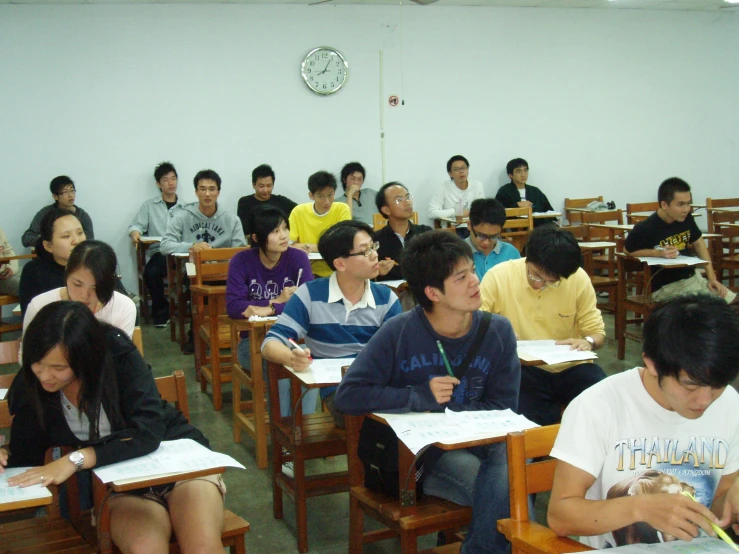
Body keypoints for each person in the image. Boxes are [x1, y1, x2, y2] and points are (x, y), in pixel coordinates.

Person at [335, 230, 520, 554]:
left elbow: (504, 409)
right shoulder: (400, 331)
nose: (475, 282)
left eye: (472, 271)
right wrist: (417, 396)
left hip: (479, 442)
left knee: (512, 465)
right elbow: (349, 395)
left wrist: (453, 414)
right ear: (433, 292)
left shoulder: (498, 331)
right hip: (423, 454)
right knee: (511, 489)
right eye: (461, 277)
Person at [1, 302, 226, 554]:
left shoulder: (118, 355)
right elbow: (25, 460)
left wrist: (77, 458)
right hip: (123, 483)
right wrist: (4, 457)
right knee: (144, 549)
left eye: (59, 368)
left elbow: (147, 432)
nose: (45, 376)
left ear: (84, 358)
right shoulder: (32, 388)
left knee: (202, 547)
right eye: (38, 364)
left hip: (179, 462)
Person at [548, 295, 739, 549]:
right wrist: (641, 507)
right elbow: (560, 516)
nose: (704, 400)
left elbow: (717, 508)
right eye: (690, 385)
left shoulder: (729, 404)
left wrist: (731, 505)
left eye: (717, 385)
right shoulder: (598, 407)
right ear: (652, 364)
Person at [262, 220, 401, 428]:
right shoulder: (310, 295)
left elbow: (400, 352)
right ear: (340, 264)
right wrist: (291, 357)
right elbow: (270, 343)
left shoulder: (386, 299)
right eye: (365, 251)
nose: (374, 255)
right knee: (372, 422)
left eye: (374, 247)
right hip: (340, 390)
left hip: (379, 385)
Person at [480, 225, 606, 426]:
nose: (540, 284)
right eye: (535, 275)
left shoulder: (578, 278)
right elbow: (475, 324)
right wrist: (499, 333)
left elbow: (596, 332)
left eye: (551, 282)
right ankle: (538, 453)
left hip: (570, 367)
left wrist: (588, 341)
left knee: (601, 398)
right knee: (528, 413)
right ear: (527, 259)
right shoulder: (498, 276)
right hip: (522, 369)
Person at [226, 206, 315, 421]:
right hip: (253, 344)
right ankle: (285, 431)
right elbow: (235, 306)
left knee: (308, 361)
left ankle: (304, 427)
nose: (284, 236)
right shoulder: (241, 261)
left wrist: (271, 307)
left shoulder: (298, 259)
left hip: (294, 339)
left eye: (285, 228)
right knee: (279, 367)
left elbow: (309, 304)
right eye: (275, 231)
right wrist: (280, 301)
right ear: (257, 237)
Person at [624, 177, 736, 304]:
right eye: (681, 204)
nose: (686, 209)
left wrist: (712, 278)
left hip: (693, 279)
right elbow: (628, 251)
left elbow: (699, 244)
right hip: (667, 288)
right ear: (664, 205)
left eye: (688, 203)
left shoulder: (686, 218)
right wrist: (658, 253)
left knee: (733, 303)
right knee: (709, 309)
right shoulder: (646, 227)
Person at [23, 240, 136, 339]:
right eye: (77, 284)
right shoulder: (40, 306)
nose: (84, 295)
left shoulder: (122, 307)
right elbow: (27, 357)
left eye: (95, 287)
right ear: (66, 273)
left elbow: (120, 359)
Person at [127, 161, 186, 327]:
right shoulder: (149, 206)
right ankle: (162, 311)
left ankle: (188, 310)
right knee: (151, 272)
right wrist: (135, 234)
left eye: (173, 178)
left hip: (180, 253)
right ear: (158, 184)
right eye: (166, 180)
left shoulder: (186, 207)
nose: (171, 183)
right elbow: (135, 226)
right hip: (160, 253)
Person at [159, 169, 246, 255]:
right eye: (203, 189)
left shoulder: (232, 220)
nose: (207, 194)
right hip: (191, 267)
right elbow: (164, 246)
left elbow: (241, 252)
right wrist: (192, 246)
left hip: (222, 266)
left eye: (212, 189)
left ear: (218, 192)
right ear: (196, 192)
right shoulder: (182, 216)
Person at [18, 209, 86, 314]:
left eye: (80, 233)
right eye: (66, 236)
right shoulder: (33, 271)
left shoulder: (95, 264)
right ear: (48, 246)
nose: (76, 241)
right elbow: (30, 319)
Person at [288, 170, 351, 277]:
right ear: (311, 195)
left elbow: (342, 245)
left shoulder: (342, 209)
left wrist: (306, 246)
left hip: (337, 271)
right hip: (306, 270)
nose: (327, 201)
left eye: (330, 195)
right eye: (321, 196)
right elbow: (288, 244)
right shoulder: (298, 212)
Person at [373, 182, 432, 282]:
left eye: (408, 197)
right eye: (399, 200)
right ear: (386, 210)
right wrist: (375, 272)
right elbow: (365, 277)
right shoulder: (375, 240)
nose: (408, 202)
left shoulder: (426, 233)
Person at [22, 176, 94, 248]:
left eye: (72, 191)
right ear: (55, 196)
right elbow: (27, 238)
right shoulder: (45, 213)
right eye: (65, 192)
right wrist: (52, 242)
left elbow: (90, 242)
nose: (70, 195)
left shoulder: (82, 215)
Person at [427, 155, 485, 235]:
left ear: (468, 170)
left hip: (473, 227)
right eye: (456, 169)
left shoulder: (477, 185)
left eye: (463, 168)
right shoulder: (444, 187)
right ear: (450, 173)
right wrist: (457, 212)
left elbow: (482, 211)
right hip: (452, 229)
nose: (461, 171)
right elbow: (431, 213)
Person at [466, 198, 520, 282]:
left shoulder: (511, 253)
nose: (486, 242)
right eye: (481, 235)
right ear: (469, 225)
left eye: (494, 236)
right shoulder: (457, 254)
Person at [237, 164, 297, 239]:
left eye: (269, 186)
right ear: (253, 185)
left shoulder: (281, 201)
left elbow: (299, 212)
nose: (265, 190)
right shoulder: (245, 202)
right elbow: (244, 231)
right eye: (261, 186)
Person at [495, 158, 556, 226]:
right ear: (510, 175)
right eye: (518, 171)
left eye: (525, 170)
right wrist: (517, 205)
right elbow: (498, 212)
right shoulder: (504, 191)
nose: (523, 174)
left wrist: (555, 221)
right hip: (516, 228)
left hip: (538, 227)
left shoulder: (535, 191)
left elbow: (549, 210)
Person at [340, 162, 377, 226]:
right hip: (358, 233)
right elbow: (347, 222)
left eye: (360, 179)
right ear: (344, 180)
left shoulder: (370, 193)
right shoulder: (339, 202)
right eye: (352, 179)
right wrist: (350, 195)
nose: (356, 182)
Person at [0, 226, 21, 296]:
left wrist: (11, 268)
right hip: (1, 277)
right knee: (28, 286)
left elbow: (8, 251)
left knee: (38, 275)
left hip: (6, 270)